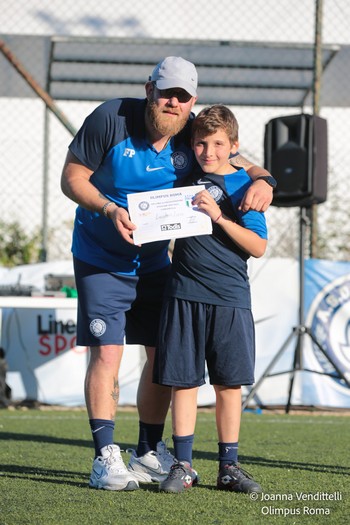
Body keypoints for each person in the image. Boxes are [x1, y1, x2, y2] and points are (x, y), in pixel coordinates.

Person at [60, 56, 274, 492]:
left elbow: (233, 155)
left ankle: (146, 450)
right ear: (149, 90)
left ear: (191, 100)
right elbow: (71, 178)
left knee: (162, 358)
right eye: (166, 93)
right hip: (102, 258)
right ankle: (105, 456)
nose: (173, 103)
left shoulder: (191, 132)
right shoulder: (109, 119)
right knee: (108, 353)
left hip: (157, 263)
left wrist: (265, 178)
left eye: (183, 96)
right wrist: (108, 208)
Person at [154, 104, 267, 494]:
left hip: (230, 298)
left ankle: (228, 467)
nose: (208, 151)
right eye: (201, 143)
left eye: (218, 143)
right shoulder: (183, 177)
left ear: (233, 146)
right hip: (183, 293)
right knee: (183, 383)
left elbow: (258, 246)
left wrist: (219, 216)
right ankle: (183, 465)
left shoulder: (244, 188)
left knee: (228, 385)